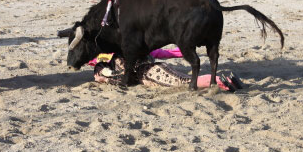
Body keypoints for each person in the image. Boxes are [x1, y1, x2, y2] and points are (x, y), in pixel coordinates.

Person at [92, 53, 244, 92]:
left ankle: (220, 80)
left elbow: (124, 79)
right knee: (185, 78)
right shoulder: (124, 51)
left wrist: (105, 80)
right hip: (157, 66)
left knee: (184, 81)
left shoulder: (113, 62)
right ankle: (228, 81)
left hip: (150, 74)